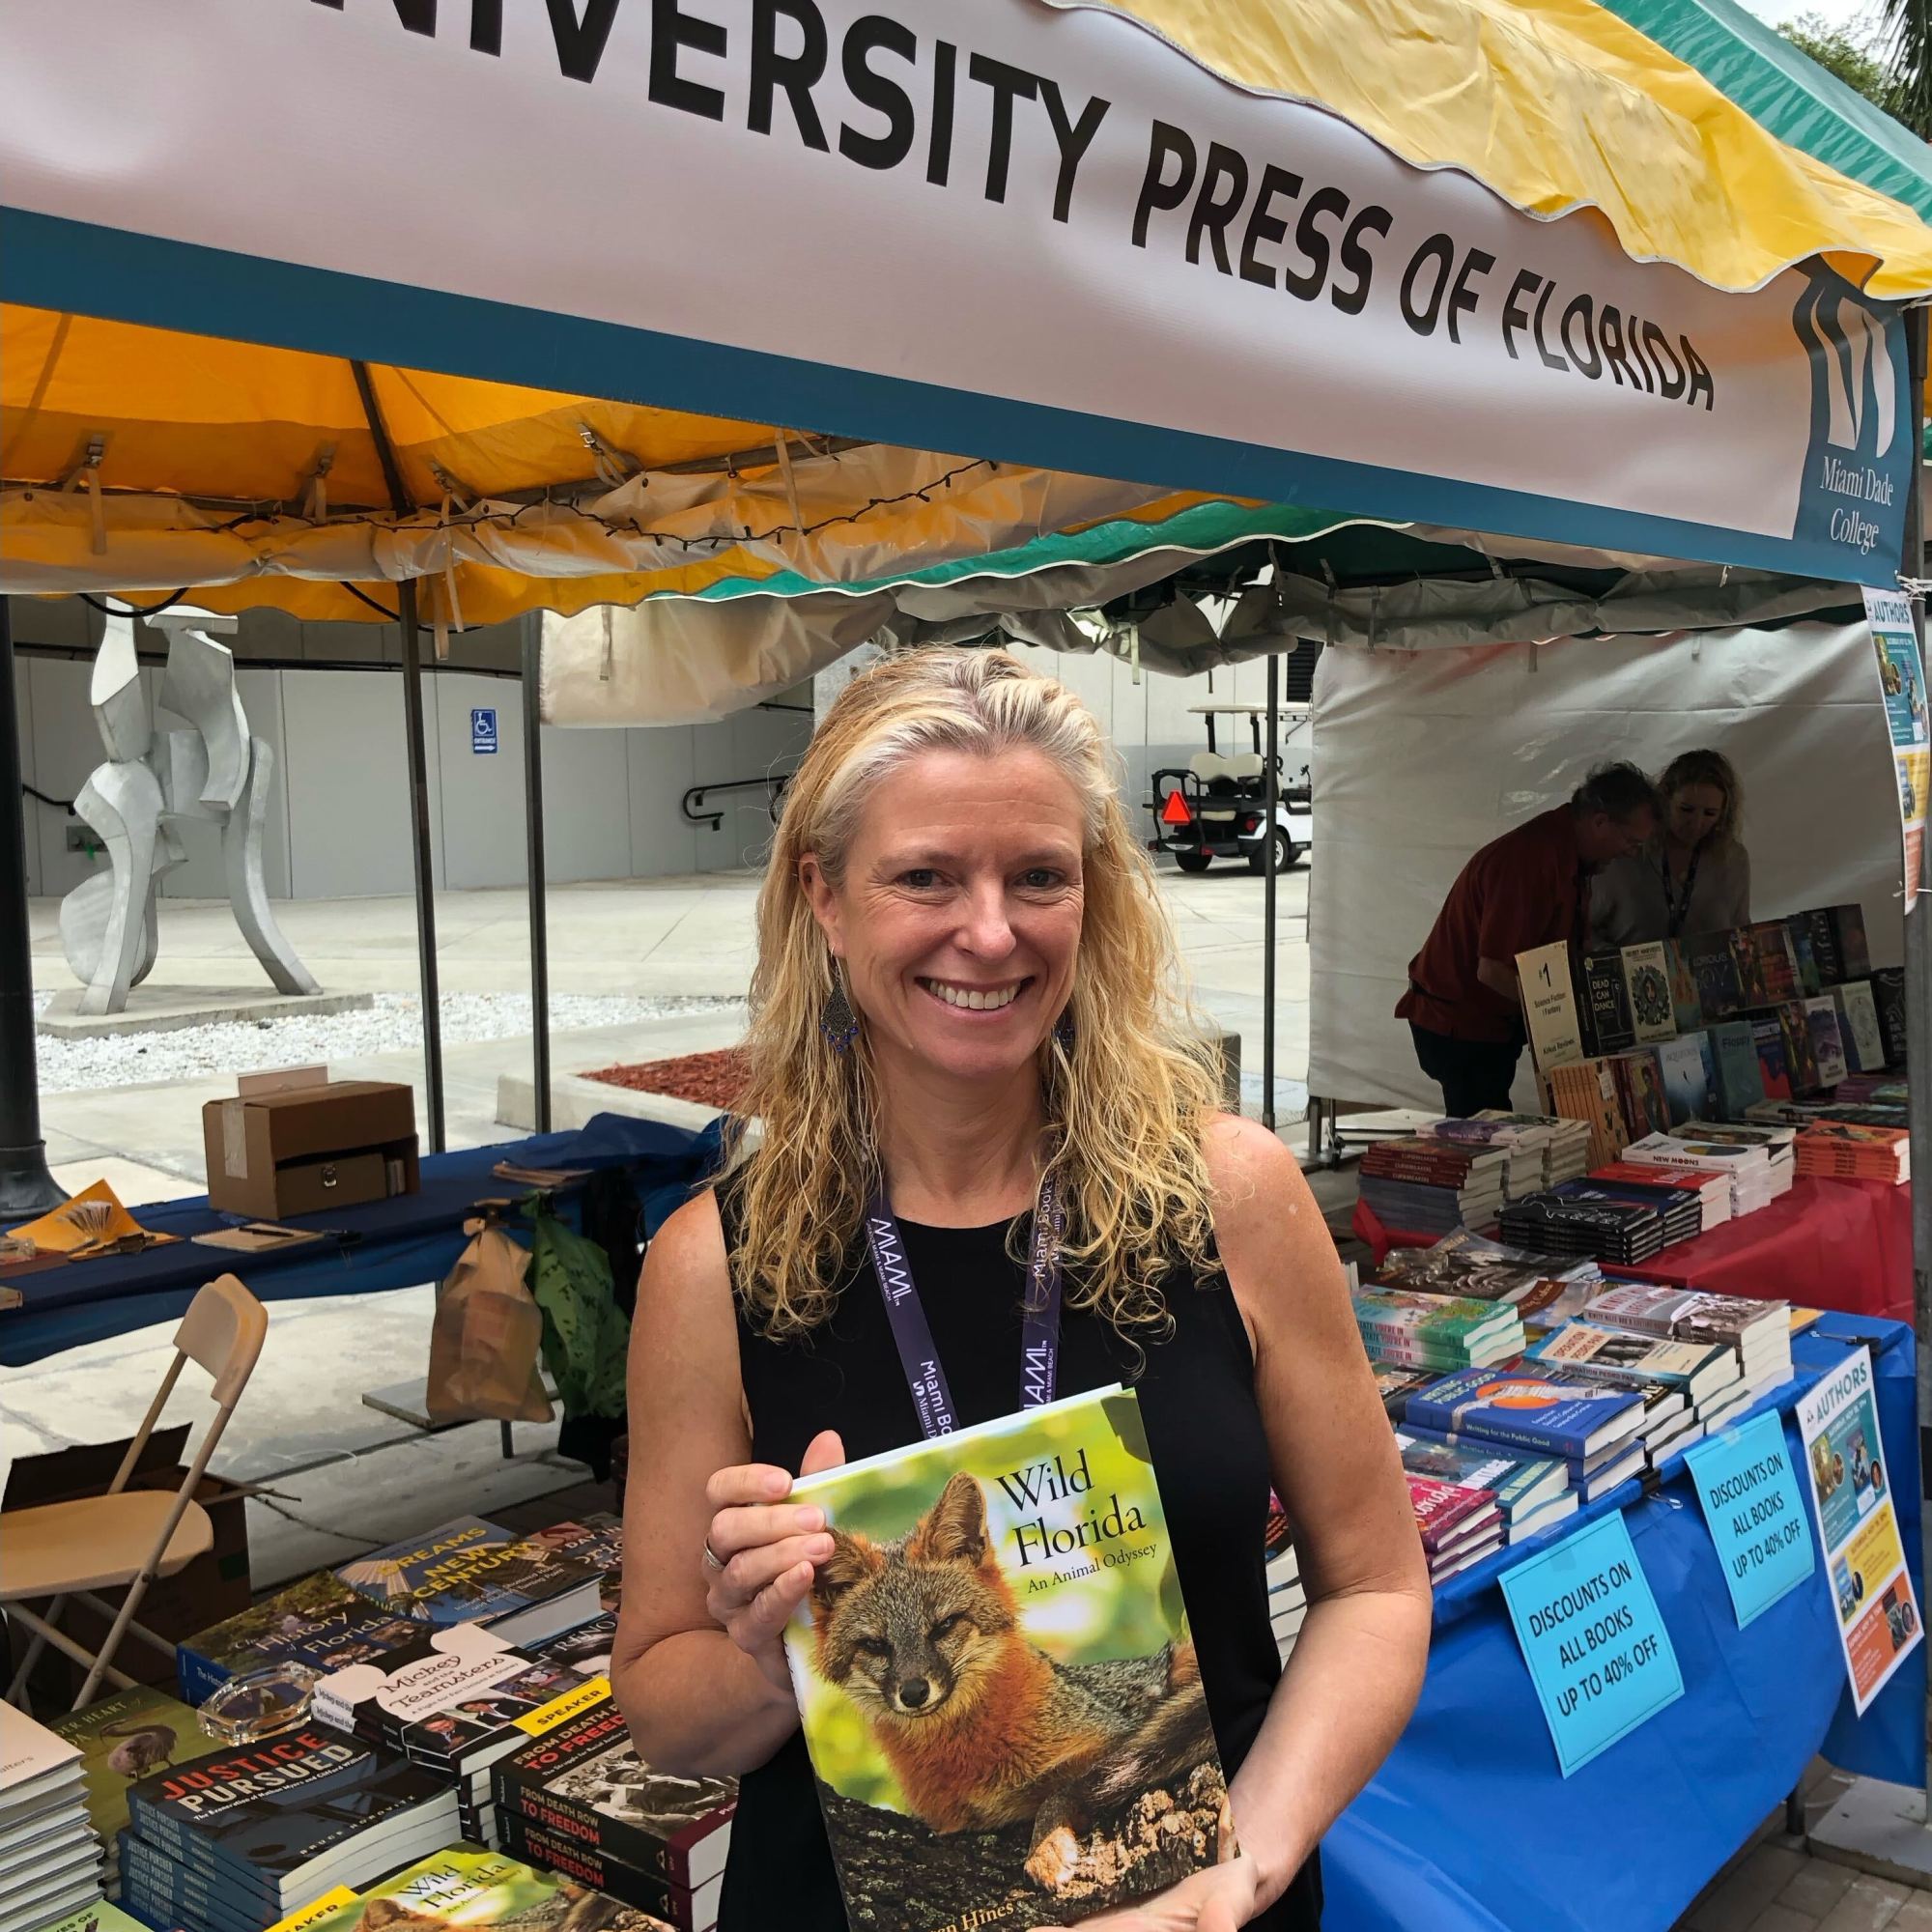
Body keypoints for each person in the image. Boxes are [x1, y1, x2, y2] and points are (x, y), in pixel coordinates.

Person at [612, 647, 1431, 1932]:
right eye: (926, 875)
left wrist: (1244, 1865)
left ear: (1092, 895)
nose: (989, 933)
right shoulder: (716, 1263)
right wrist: (778, 1651)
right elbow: (664, 1709)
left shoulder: (1234, 1198)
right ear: (825, 897)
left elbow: (1377, 1589)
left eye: (1038, 876)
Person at [1396, 764, 1660, 1118]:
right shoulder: (1530, 860)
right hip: (1460, 1025)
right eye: (1631, 842)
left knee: (1499, 1137)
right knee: (1485, 1145)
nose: (1631, 854)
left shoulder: (1573, 855)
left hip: (1492, 1025)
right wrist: (1563, 1017)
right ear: (1599, 822)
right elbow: (1492, 970)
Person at [1589, 749, 1749, 947]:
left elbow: (1742, 933)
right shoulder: (1627, 852)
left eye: (1709, 813)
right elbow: (1584, 929)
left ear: (1723, 814)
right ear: (1665, 799)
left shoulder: (1732, 859)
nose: (1696, 823)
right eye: (1686, 809)